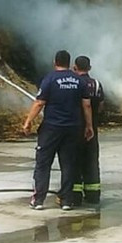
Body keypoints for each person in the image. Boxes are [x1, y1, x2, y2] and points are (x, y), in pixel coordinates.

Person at [21, 50, 93, 211]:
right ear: (69, 63)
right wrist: (88, 126)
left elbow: (39, 103)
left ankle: (38, 200)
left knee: (43, 164)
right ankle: (66, 201)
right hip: (73, 128)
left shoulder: (50, 79)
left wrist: (28, 122)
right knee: (68, 164)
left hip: (51, 129)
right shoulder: (79, 81)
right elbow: (86, 105)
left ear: (55, 62)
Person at [71, 55, 104, 207]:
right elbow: (101, 105)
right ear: (89, 68)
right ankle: (93, 195)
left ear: (74, 67)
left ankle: (74, 196)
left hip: (77, 128)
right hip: (93, 130)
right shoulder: (97, 84)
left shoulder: (75, 83)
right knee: (91, 161)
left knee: (74, 161)